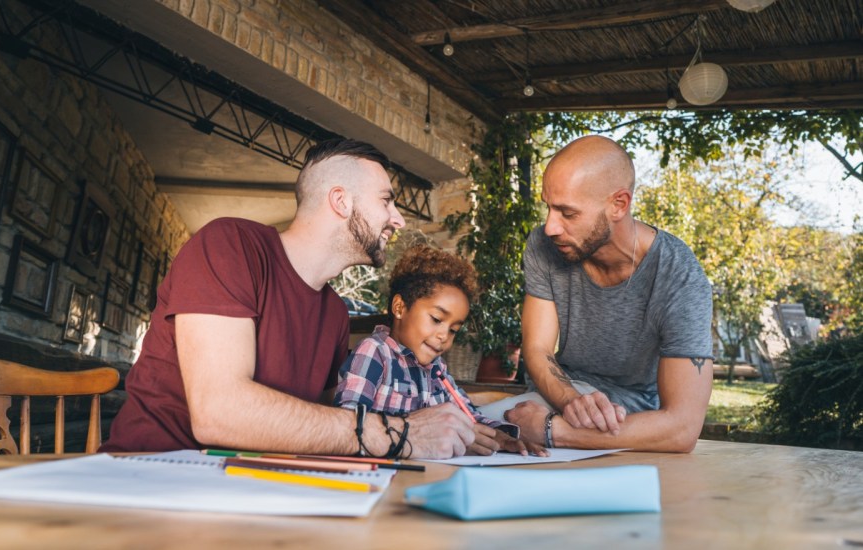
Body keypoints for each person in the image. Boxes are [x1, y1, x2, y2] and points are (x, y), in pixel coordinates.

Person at [101, 139, 477, 458]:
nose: (398, 220)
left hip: (254, 489)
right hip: (152, 476)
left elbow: (319, 423)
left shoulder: (333, 312)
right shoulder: (229, 245)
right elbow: (219, 413)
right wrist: (397, 434)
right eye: (386, 201)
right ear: (340, 201)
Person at [503, 135, 714, 453]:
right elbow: (536, 348)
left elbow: (682, 428)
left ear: (619, 205)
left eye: (568, 213)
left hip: (629, 420)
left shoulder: (678, 275)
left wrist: (552, 430)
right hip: (552, 397)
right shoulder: (544, 245)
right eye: (549, 207)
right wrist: (572, 402)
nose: (550, 227)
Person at [334, 245, 547, 457]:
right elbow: (350, 421)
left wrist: (500, 436)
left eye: (454, 330)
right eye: (436, 319)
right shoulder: (374, 353)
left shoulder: (438, 370)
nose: (444, 335)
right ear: (399, 307)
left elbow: (469, 416)